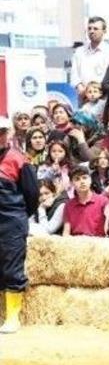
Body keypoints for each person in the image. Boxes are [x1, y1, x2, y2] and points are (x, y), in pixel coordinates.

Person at [0, 117, 38, 333]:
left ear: (9, 134)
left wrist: (19, 217)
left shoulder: (18, 159)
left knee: (12, 267)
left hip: (11, 222)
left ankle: (13, 317)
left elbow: (32, 195)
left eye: (2, 132)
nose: (0, 136)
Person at [71, 17, 109, 104]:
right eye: (89, 28)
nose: (92, 31)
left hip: (103, 98)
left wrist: (96, 92)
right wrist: (80, 87)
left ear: (104, 31)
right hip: (83, 97)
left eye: (95, 29)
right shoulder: (79, 51)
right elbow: (74, 74)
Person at [63, 166, 109, 237]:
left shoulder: (103, 201)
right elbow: (66, 232)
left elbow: (107, 230)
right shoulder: (68, 205)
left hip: (98, 243)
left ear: (90, 180)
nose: (82, 182)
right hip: (76, 243)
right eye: (77, 179)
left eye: (84, 178)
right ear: (72, 183)